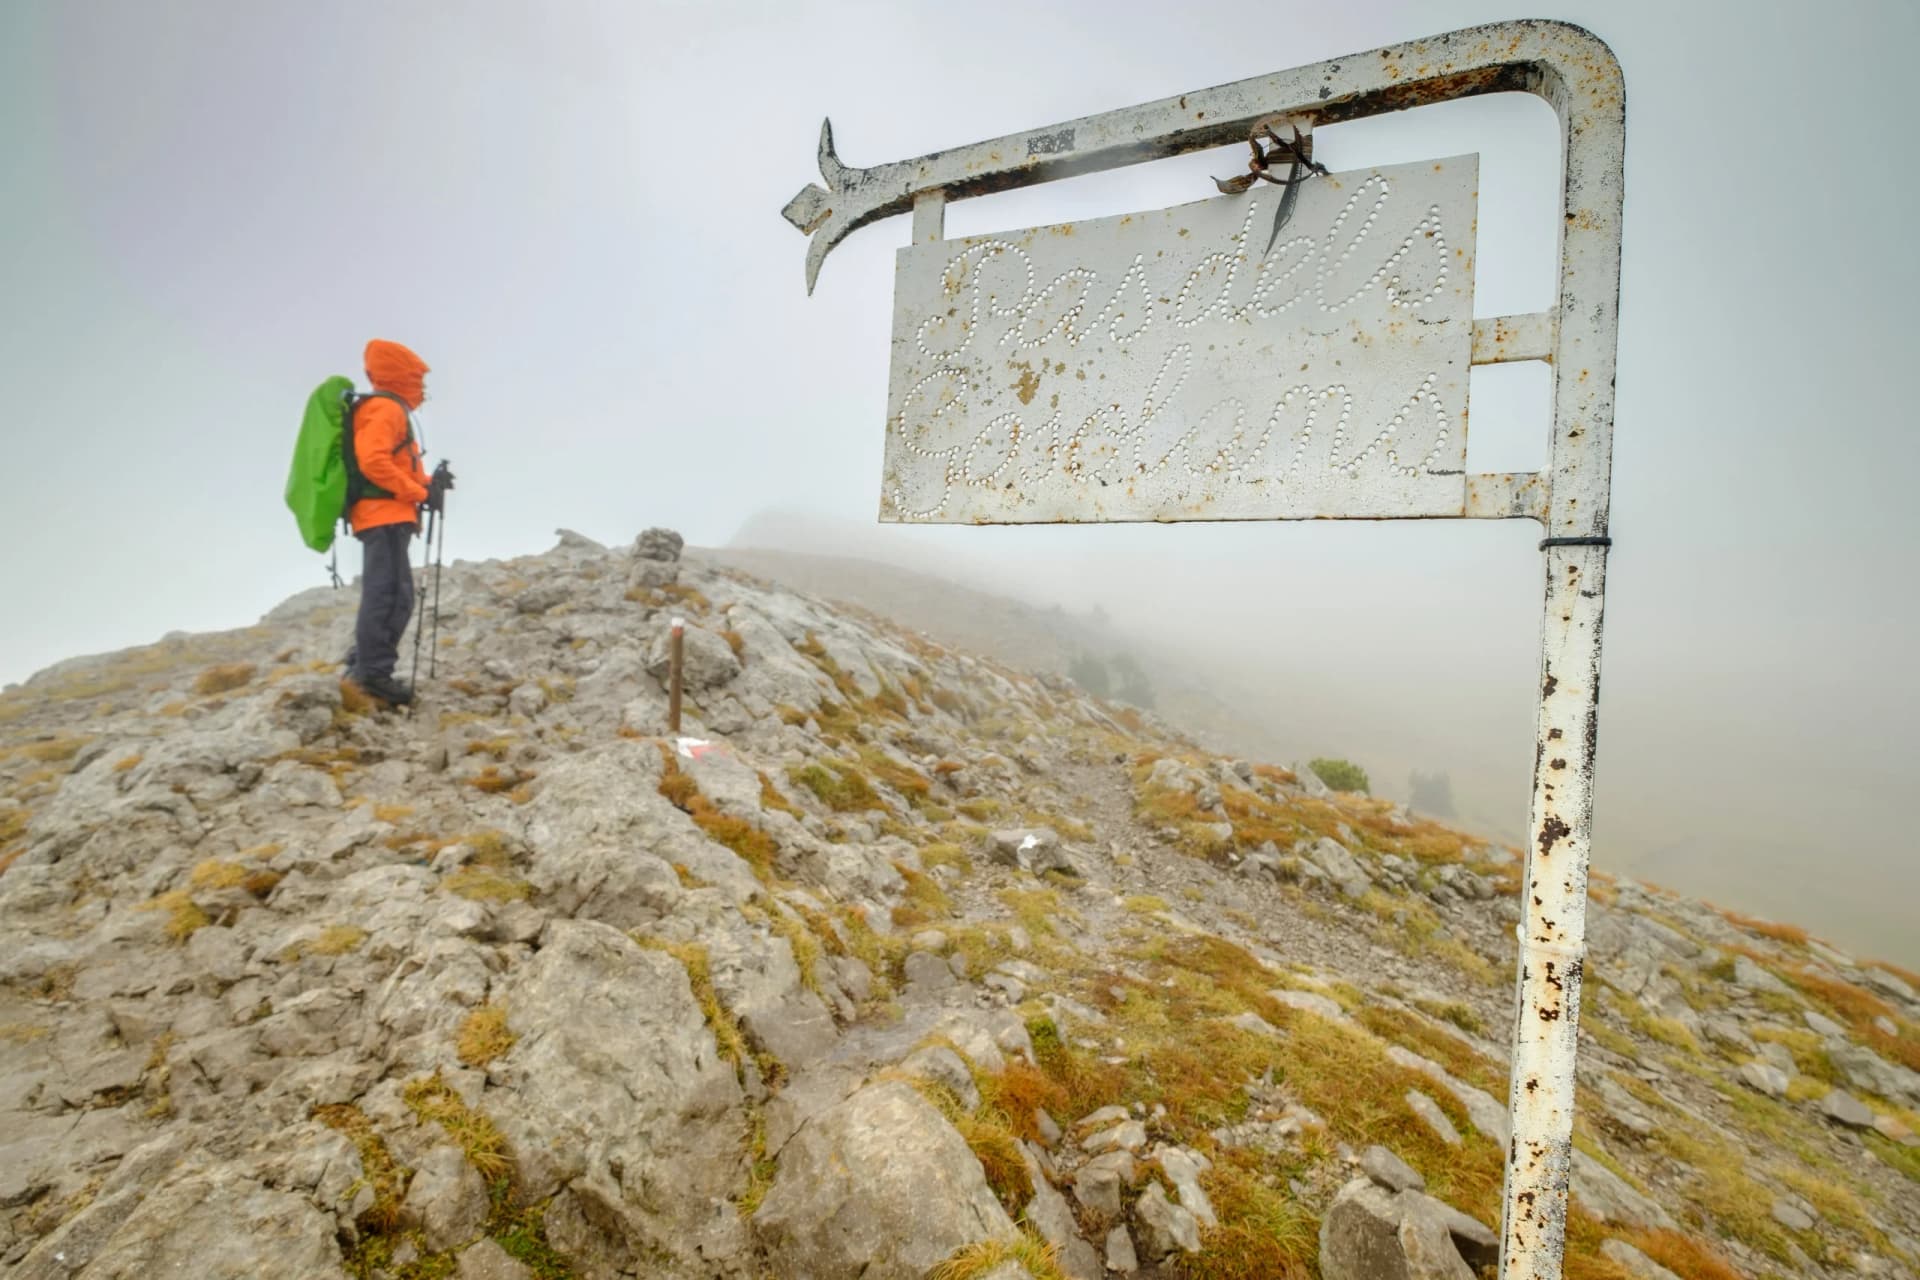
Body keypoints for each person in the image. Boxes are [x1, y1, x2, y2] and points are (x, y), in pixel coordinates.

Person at [343, 339, 451, 706]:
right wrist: (419, 493)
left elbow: (391, 463)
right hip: (383, 516)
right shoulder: (386, 410)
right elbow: (373, 461)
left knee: (390, 592)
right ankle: (371, 674)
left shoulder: (384, 409)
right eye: (417, 378)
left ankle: (363, 666)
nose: (422, 387)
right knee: (390, 595)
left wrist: (426, 484)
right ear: (402, 376)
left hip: (383, 515)